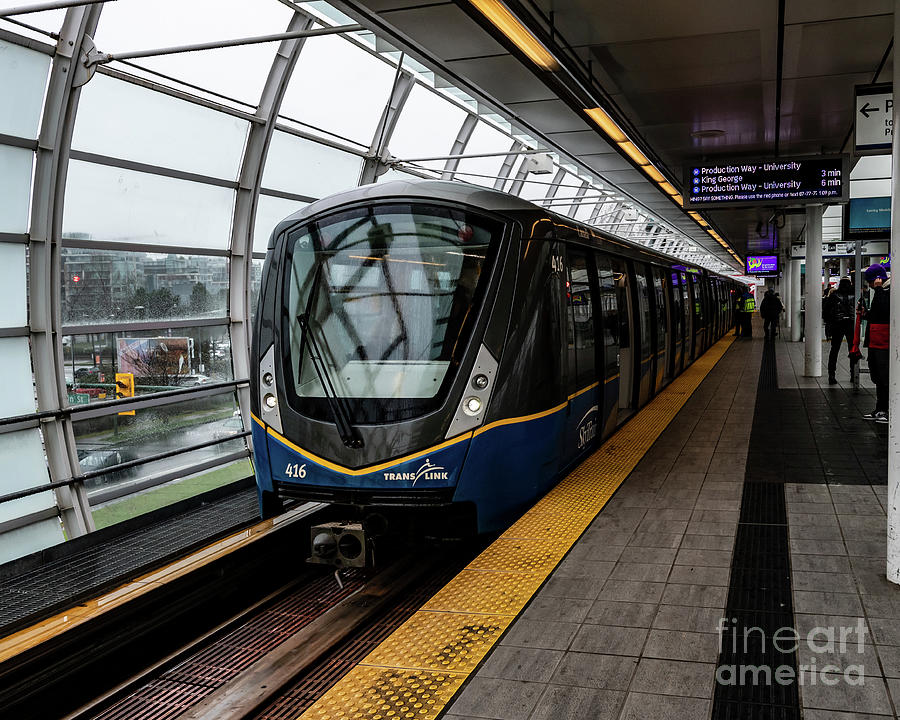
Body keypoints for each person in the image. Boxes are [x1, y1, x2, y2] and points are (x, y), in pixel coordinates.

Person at [861, 264, 890, 423]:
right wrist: (866, 314)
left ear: (877, 279)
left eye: (870, 282)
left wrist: (878, 289)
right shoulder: (881, 292)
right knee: (878, 377)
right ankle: (880, 409)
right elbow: (878, 314)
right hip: (876, 341)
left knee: (885, 378)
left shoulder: (889, 291)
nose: (869, 285)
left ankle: (887, 410)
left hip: (884, 343)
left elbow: (886, 310)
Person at [822, 277, 854, 384]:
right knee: (853, 350)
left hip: (837, 325)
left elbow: (825, 311)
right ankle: (853, 374)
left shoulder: (834, 296)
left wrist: (829, 323)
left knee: (834, 350)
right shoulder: (855, 295)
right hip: (851, 325)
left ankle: (831, 375)